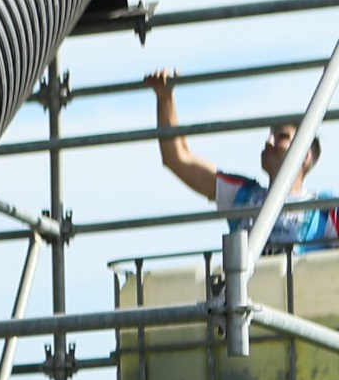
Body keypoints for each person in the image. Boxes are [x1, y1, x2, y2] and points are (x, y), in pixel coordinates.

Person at [145, 70, 339, 247]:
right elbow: (177, 159)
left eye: (281, 137)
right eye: (270, 134)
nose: (268, 141)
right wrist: (165, 99)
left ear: (306, 155)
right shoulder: (242, 194)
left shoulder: (326, 209)